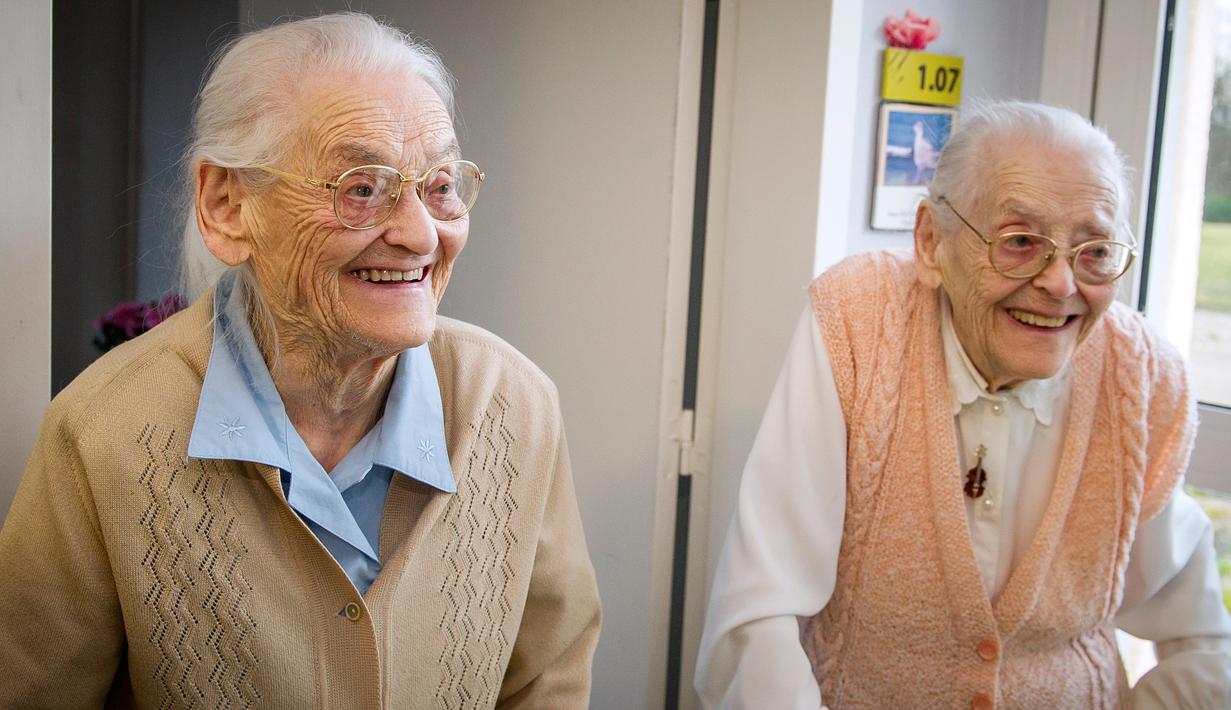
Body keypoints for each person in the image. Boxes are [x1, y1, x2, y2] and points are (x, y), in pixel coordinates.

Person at [0, 13, 600, 708]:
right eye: (361, 187)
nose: (417, 235)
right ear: (228, 206)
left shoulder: (515, 404)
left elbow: (549, 679)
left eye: (439, 185)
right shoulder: (101, 432)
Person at [695, 101, 1231, 709]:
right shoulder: (858, 323)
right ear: (931, 241)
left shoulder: (1142, 376)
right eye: (1021, 241)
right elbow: (757, 616)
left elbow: (1203, 644)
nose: (1061, 285)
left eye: (1096, 251)